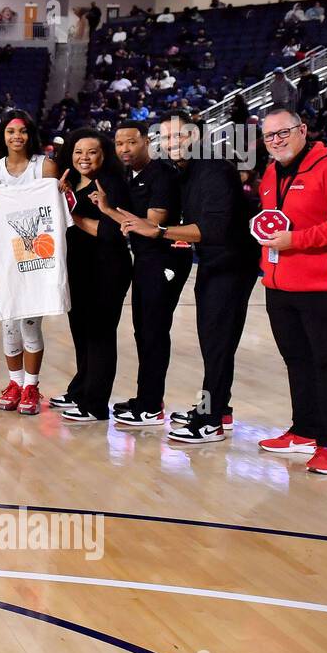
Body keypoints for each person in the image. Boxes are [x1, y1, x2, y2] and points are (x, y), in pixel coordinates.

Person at [117, 113, 259, 443]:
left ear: (196, 136)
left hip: (232, 263)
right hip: (216, 262)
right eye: (166, 139)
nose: (172, 144)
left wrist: (160, 231)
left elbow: (213, 230)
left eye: (179, 137)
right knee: (214, 340)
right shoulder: (188, 170)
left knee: (217, 340)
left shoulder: (213, 168)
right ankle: (217, 407)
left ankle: (211, 420)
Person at [253, 108, 327, 475]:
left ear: (302, 130)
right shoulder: (272, 173)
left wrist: (296, 240)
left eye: (283, 132)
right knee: (298, 360)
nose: (276, 140)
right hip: (281, 284)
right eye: (269, 135)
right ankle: (304, 430)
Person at [108, 119, 192, 426]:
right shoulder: (130, 174)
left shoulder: (162, 173)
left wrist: (106, 209)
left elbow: (150, 225)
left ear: (146, 141)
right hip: (145, 260)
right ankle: (147, 397)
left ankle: (152, 405)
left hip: (167, 258)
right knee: (143, 330)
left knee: (154, 330)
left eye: (131, 142)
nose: (124, 149)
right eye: (119, 144)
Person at [57, 131, 133, 422]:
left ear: (104, 155)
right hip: (78, 266)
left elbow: (110, 232)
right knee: (81, 332)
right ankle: (81, 390)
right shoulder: (71, 184)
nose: (84, 158)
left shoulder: (111, 184)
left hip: (107, 268)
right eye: (78, 152)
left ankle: (96, 404)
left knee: (100, 334)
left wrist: (70, 215)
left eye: (91, 152)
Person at [0, 111, 60, 414]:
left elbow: (55, 209)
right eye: (10, 131)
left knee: (29, 323)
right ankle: (15, 382)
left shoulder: (45, 166)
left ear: (31, 134)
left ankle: (32, 385)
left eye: (22, 131)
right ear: (2, 136)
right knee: (8, 324)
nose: (16, 137)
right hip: (7, 253)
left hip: (37, 252)